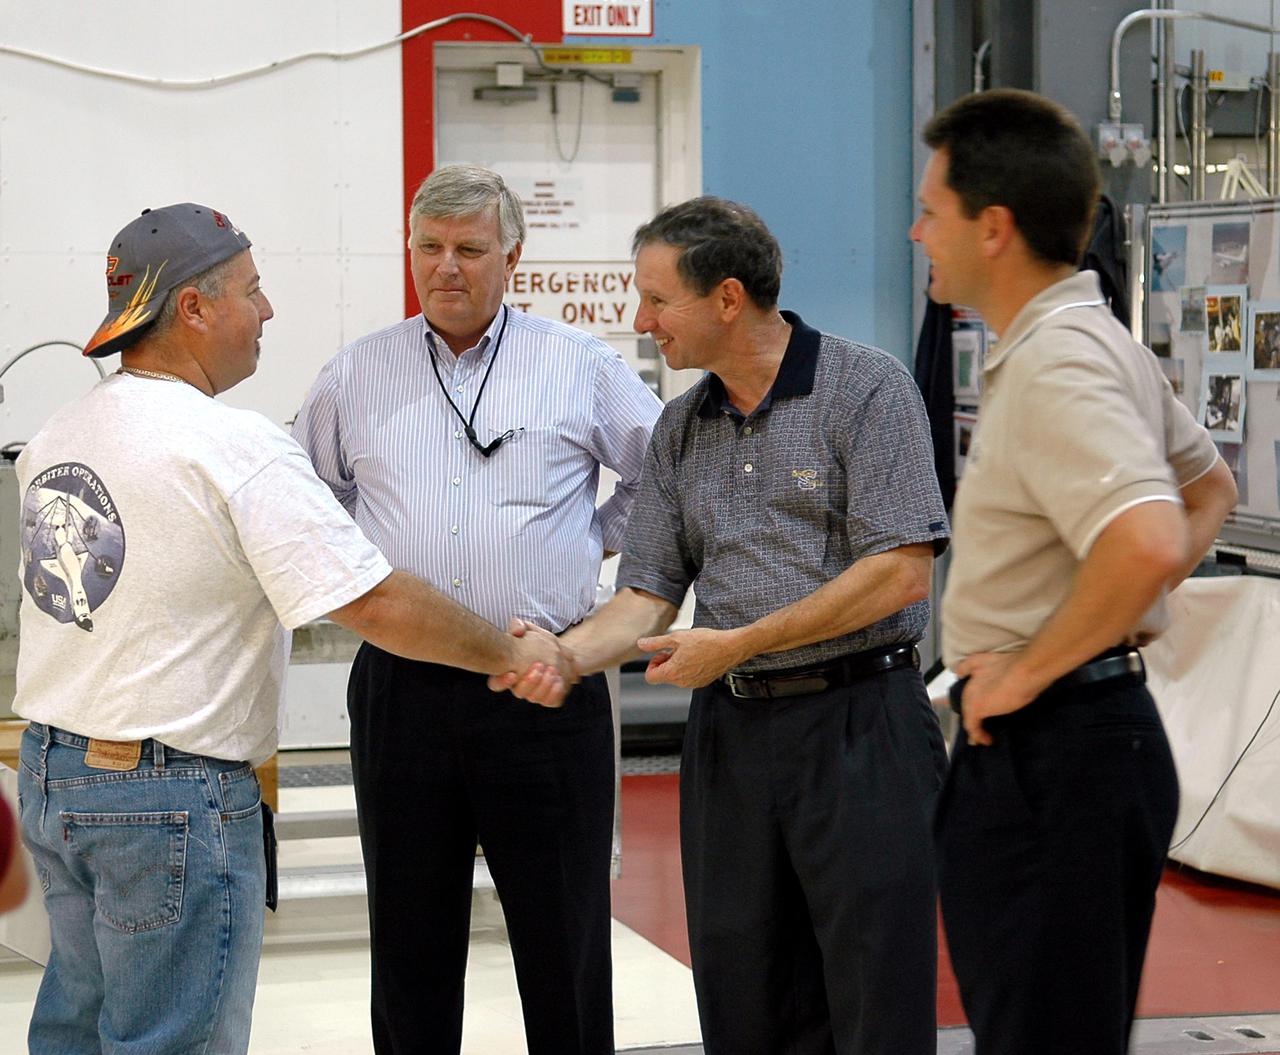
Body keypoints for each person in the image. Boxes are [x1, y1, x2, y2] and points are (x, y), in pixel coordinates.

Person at [13, 202, 569, 1055]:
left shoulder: (62, 431)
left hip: (57, 778)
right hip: (169, 795)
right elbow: (374, 601)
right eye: (252, 289)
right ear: (193, 309)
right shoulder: (230, 445)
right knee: (171, 1040)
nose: (267, 311)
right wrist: (509, 650)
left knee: (77, 1028)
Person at [504, 195, 951, 1055]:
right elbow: (645, 597)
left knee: (873, 998)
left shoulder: (867, 389)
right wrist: (560, 655)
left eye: (657, 300)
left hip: (862, 725)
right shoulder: (678, 427)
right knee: (741, 993)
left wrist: (738, 643)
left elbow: (898, 571)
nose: (642, 322)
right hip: (733, 740)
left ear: (728, 298)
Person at [292, 164, 661, 1055]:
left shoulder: (580, 365)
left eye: (469, 248)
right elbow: (306, 498)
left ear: (513, 257)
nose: (446, 266)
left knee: (563, 933)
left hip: (543, 678)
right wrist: (368, 578)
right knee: (411, 936)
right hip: (403, 687)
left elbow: (666, 475)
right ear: (408, 251)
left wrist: (590, 537)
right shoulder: (356, 374)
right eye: (429, 247)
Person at [911, 89, 1238, 1055]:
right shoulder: (1091, 341)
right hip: (1081, 741)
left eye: (933, 209)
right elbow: (1206, 490)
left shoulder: (1060, 361)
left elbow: (1147, 538)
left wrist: (1030, 665)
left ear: (995, 226)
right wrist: (1112, 623)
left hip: (1054, 750)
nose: (917, 229)